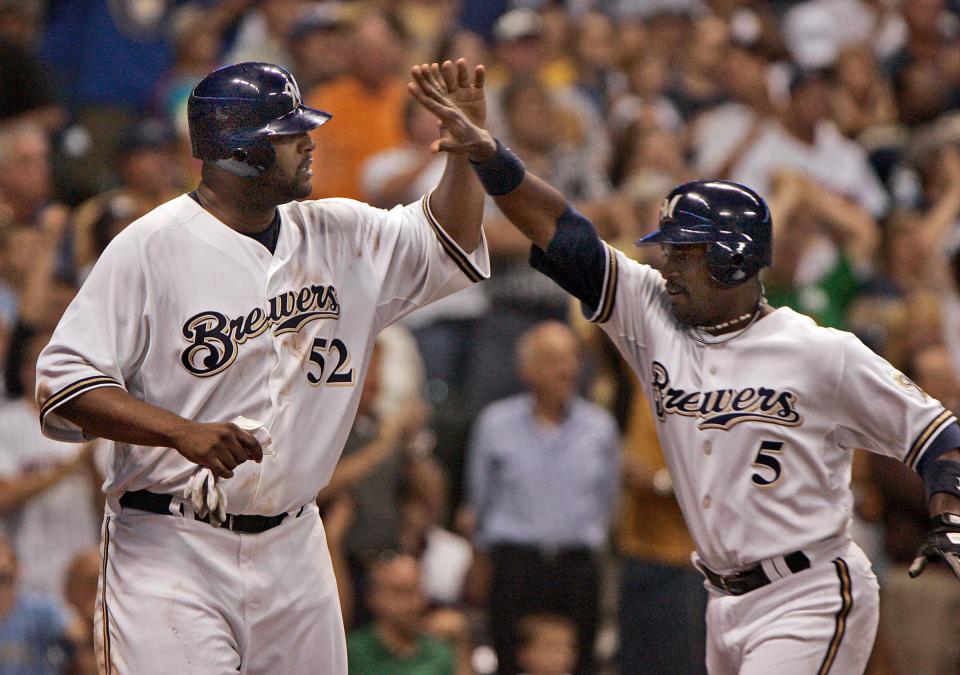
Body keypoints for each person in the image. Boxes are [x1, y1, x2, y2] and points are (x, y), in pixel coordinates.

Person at [413, 85, 960, 673]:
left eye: (683, 253)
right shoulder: (651, 313)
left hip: (811, 592)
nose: (665, 265)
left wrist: (948, 516)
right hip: (721, 599)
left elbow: (937, 433)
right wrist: (490, 157)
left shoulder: (820, 353)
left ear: (733, 258)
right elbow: (557, 228)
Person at [34, 59, 489, 674]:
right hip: (171, 544)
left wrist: (463, 154)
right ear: (239, 151)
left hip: (295, 543)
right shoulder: (149, 247)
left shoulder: (340, 230)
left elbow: (449, 240)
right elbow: (62, 389)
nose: (309, 143)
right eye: (288, 134)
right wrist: (178, 431)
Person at [463, 321, 620, 675]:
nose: (566, 369)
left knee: (581, 665)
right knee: (509, 663)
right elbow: (479, 504)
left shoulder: (600, 428)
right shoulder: (494, 424)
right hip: (516, 567)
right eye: (553, 359)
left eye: (572, 358)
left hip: (577, 567)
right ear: (526, 369)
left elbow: (608, 501)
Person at [346, 553, 469, 675]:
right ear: (373, 598)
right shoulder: (353, 653)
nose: (414, 603)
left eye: (418, 591)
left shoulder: (440, 651)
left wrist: (462, 643)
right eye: (401, 592)